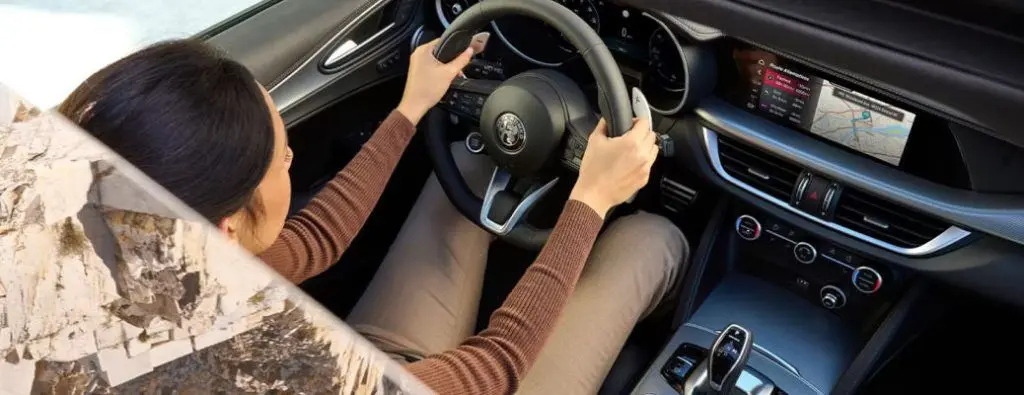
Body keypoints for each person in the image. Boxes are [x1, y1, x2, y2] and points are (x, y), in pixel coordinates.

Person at [59, 38, 687, 394]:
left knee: (468, 173)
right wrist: (590, 201)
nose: (292, 157)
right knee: (651, 238)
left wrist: (409, 109)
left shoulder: (126, 254)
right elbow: (492, 368)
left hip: (374, 372)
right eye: (282, 161)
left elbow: (312, 240)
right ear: (225, 234)